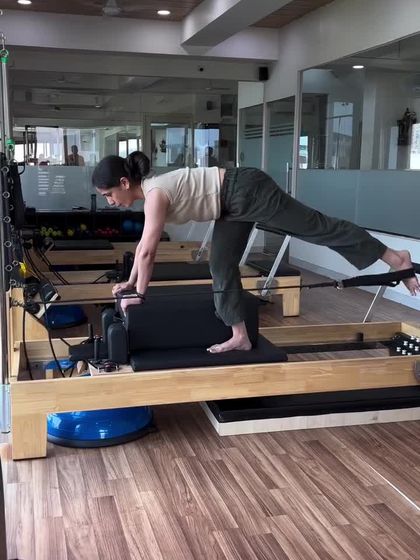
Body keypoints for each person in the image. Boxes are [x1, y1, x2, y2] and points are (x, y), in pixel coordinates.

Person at [92, 151, 419, 354]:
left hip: (246, 189)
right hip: (228, 206)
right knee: (221, 263)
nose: (110, 201)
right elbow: (143, 247)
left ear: (124, 183)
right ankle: (240, 336)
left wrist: (140, 295)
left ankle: (395, 257)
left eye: (108, 194)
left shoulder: (155, 194)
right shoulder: (152, 194)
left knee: (314, 227)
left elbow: (148, 253)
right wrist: (130, 283)